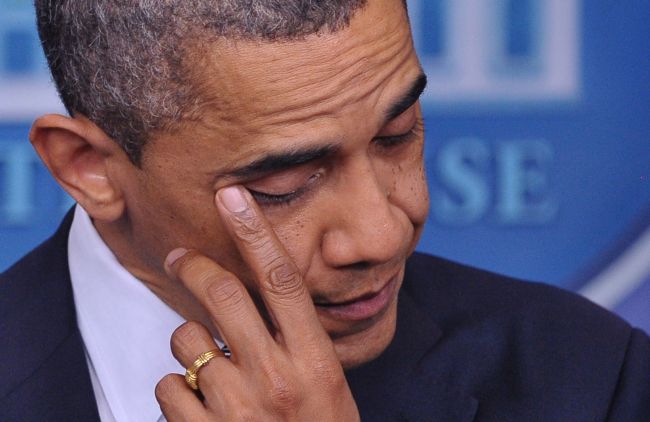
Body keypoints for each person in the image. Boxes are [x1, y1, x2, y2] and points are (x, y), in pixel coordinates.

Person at [1, 0, 649, 420]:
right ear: (87, 168)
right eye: (282, 184)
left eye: (398, 135)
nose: (385, 232)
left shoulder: (590, 379)